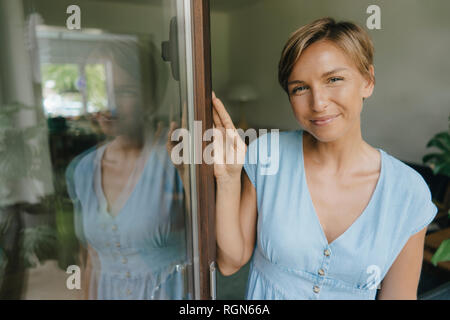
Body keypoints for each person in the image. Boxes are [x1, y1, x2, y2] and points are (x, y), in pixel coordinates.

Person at [213, 17, 438, 300]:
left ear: (368, 81)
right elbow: (229, 262)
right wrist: (229, 179)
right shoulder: (267, 154)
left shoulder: (409, 193)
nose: (318, 103)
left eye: (334, 79)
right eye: (300, 88)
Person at [65, 39, 190, 300]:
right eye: (99, 89)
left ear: (149, 98)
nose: (108, 106)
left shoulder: (177, 159)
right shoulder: (83, 170)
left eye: (123, 92)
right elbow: (90, 258)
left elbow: (213, 252)